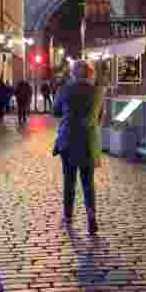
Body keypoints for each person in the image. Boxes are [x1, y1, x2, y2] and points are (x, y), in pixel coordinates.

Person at [52, 61, 106, 234]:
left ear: (74, 74)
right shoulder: (97, 92)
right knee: (88, 182)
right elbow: (99, 117)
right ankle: (91, 218)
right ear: (90, 73)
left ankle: (68, 217)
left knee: (69, 180)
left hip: (68, 141)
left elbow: (55, 111)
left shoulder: (66, 89)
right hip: (88, 141)